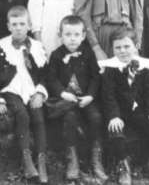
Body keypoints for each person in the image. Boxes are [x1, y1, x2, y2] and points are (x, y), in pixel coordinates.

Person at [0, 6, 49, 183]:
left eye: (22, 24)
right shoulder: (0, 47)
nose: (18, 28)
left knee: (38, 117)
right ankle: (27, 161)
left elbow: (46, 75)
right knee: (22, 114)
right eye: (14, 24)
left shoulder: (36, 47)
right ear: (8, 26)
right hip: (10, 90)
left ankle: (42, 162)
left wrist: (39, 92)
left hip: (31, 89)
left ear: (29, 25)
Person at [99, 27, 149, 184]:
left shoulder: (144, 66)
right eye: (118, 47)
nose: (122, 51)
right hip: (119, 112)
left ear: (136, 46)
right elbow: (108, 96)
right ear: (112, 49)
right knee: (116, 133)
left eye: (127, 46)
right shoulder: (110, 68)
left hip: (139, 111)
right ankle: (123, 166)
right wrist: (114, 116)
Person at [45, 15, 106, 182]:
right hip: (67, 100)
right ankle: (72, 159)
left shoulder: (88, 53)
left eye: (76, 35)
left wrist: (91, 96)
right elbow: (51, 79)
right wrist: (62, 93)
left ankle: (95, 159)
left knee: (95, 118)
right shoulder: (56, 55)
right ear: (60, 35)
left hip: (85, 98)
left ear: (83, 36)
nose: (72, 39)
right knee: (70, 118)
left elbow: (95, 77)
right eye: (68, 35)